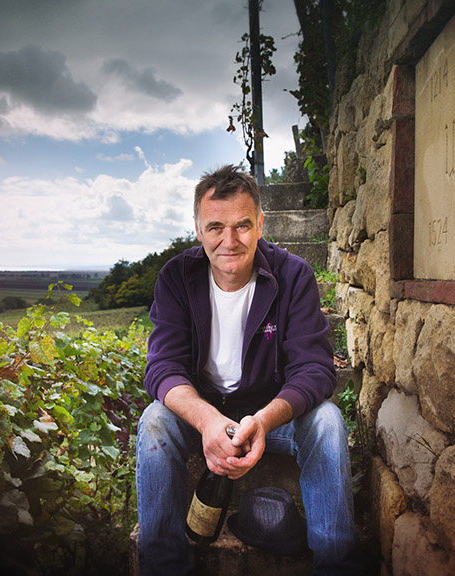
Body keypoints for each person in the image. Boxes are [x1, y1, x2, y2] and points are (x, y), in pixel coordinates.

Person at [136, 164, 360, 575]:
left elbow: (314, 369)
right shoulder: (176, 278)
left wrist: (264, 417)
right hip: (206, 415)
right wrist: (206, 420)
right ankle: (164, 566)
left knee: (327, 421)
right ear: (198, 229)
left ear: (260, 224)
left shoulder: (293, 275)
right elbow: (163, 367)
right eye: (215, 227)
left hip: (271, 418)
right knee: (154, 421)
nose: (229, 240)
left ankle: (337, 565)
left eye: (242, 225)